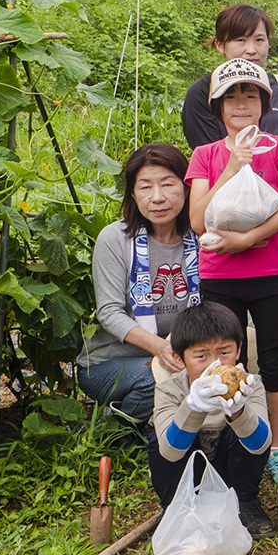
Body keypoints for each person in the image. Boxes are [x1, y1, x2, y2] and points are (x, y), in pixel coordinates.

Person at [187, 58, 278, 479]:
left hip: (271, 273)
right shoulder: (205, 155)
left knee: (275, 359)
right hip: (220, 277)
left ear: (264, 104)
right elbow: (197, 220)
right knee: (224, 361)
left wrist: (246, 239)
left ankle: (277, 447)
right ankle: (231, 440)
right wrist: (232, 168)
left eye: (250, 95)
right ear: (217, 107)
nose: (241, 104)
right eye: (231, 97)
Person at [80, 143, 201, 422]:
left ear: (186, 188)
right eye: (145, 187)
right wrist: (160, 348)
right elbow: (109, 312)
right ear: (133, 194)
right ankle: (119, 429)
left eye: (167, 184)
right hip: (109, 363)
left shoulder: (200, 237)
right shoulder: (115, 239)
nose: (157, 197)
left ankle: (171, 430)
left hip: (183, 355)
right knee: (158, 379)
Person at [148, 302, 273, 537]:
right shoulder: (169, 389)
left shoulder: (250, 385)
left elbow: (260, 446)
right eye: (201, 356)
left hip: (230, 468)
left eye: (224, 353)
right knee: (158, 440)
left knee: (255, 427)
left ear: (238, 350)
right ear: (179, 358)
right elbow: (169, 452)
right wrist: (193, 407)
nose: (214, 364)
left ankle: (246, 501)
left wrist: (239, 412)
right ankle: (174, 507)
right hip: (190, 466)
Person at [182, 4, 278, 149]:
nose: (251, 50)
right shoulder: (202, 92)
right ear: (220, 45)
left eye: (259, 40)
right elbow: (209, 154)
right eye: (241, 40)